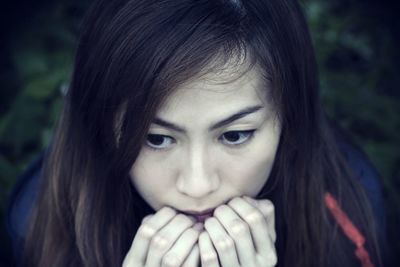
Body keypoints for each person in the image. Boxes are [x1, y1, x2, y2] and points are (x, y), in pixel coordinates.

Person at [5, 0, 387, 266]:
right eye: (155, 138)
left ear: (290, 117)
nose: (198, 184)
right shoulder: (37, 224)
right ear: (102, 125)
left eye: (235, 135)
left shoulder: (350, 215)